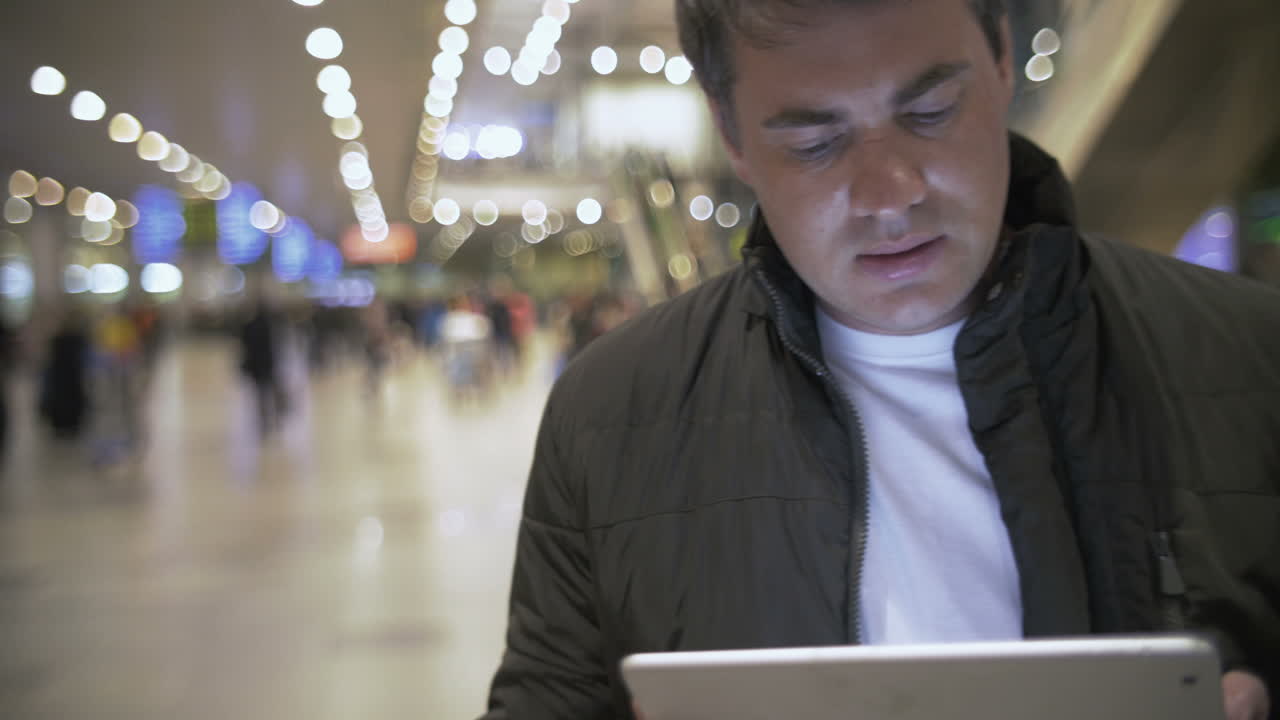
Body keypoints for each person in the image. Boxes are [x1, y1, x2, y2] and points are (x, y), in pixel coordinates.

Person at [482, 1, 1279, 719]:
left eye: (931, 112)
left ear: (1002, 61)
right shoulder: (612, 414)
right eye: (815, 143)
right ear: (733, 136)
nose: (890, 192)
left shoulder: (1252, 358)